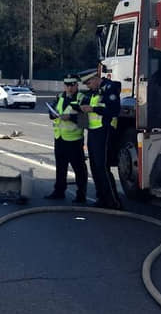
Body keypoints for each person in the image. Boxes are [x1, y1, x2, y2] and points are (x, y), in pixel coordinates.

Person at [82, 72, 123, 210]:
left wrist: (93, 109)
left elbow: (113, 109)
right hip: (94, 131)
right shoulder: (95, 91)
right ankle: (102, 197)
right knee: (94, 166)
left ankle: (113, 201)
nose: (88, 86)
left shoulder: (110, 88)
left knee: (102, 166)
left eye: (88, 83)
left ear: (95, 79)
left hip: (104, 130)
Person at [45, 74, 89, 203]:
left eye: (72, 85)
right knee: (60, 166)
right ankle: (59, 191)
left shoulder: (82, 98)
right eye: (67, 85)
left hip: (74, 139)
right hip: (59, 137)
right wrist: (52, 115)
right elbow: (52, 111)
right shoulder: (60, 97)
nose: (69, 88)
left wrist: (70, 117)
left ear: (76, 85)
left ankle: (81, 194)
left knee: (79, 168)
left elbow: (85, 121)